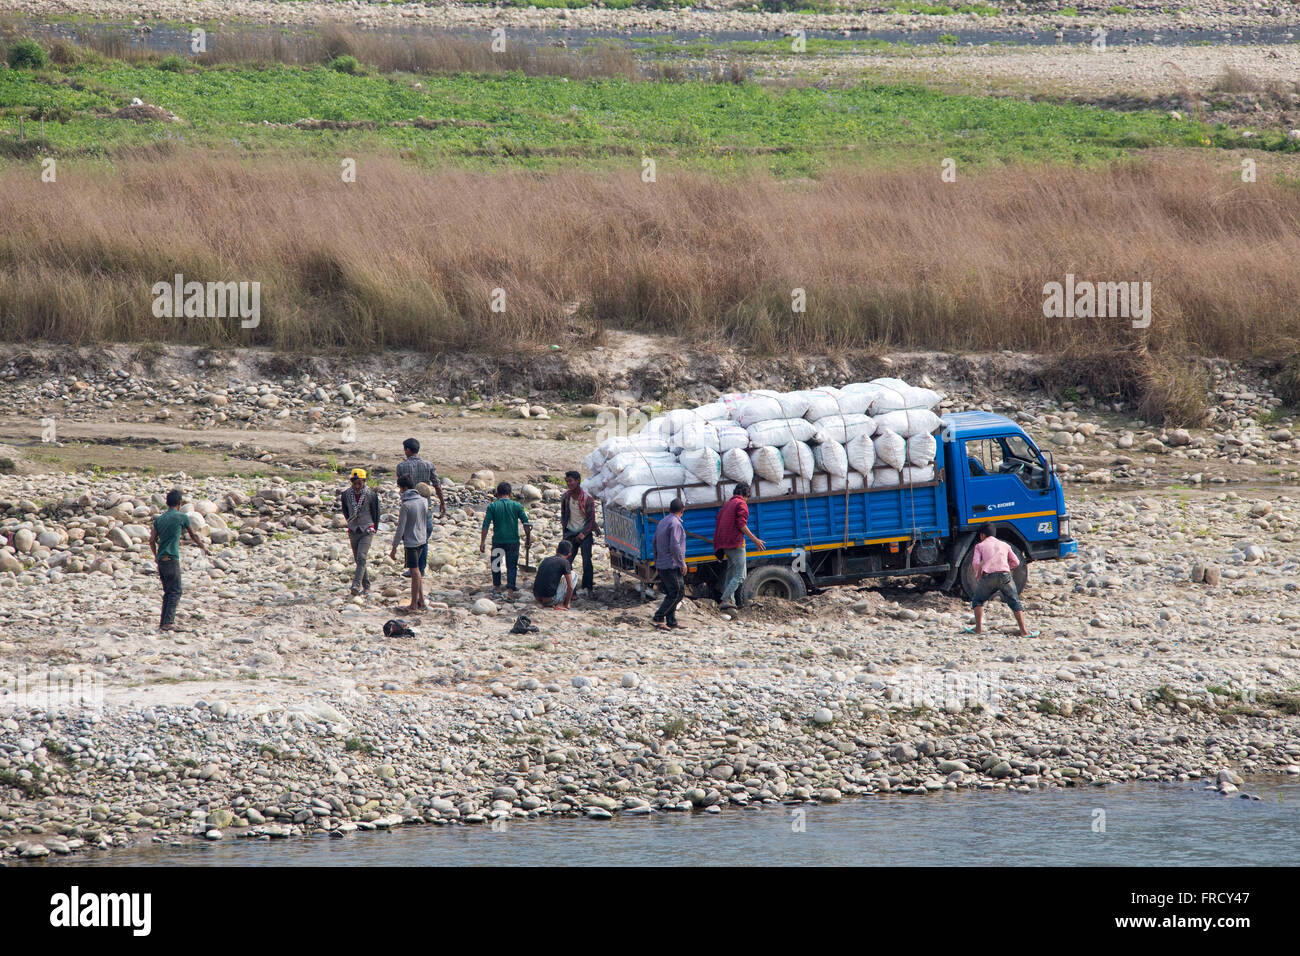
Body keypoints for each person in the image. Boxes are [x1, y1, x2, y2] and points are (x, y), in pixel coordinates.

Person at [148, 488, 208, 633]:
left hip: (161, 560)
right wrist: (203, 547)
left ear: (167, 503)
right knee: (175, 591)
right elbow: (193, 534)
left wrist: (156, 556)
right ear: (179, 503)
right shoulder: (182, 517)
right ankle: (168, 623)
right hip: (172, 558)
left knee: (168, 591)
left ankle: (164, 622)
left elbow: (151, 540)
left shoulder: (159, 519)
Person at [963, 525, 1038, 637]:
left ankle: (978, 629)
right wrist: (1009, 568)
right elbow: (1016, 562)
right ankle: (1024, 631)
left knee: (978, 601)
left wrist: (978, 575)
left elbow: (976, 563)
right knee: (1014, 601)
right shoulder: (1004, 545)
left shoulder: (980, 545)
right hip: (1005, 576)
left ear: (982, 535)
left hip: (988, 576)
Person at [397, 438, 445, 578]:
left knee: (409, 538)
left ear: (408, 450)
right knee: (424, 539)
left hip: (409, 506)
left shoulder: (401, 466)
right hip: (426, 507)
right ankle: (421, 569)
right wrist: (442, 502)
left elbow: (401, 486)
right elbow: (437, 485)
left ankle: (412, 568)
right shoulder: (428, 465)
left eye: (405, 449)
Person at [713, 482, 765, 609]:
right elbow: (741, 524)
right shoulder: (741, 503)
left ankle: (730, 603)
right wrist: (755, 540)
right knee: (741, 576)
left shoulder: (726, 505)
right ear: (746, 494)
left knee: (731, 574)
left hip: (725, 545)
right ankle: (725, 599)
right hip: (736, 544)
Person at [479, 482, 532, 598]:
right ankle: (510, 590)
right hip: (513, 541)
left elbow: (485, 525)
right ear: (510, 494)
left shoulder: (492, 507)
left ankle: (497, 587)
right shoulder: (517, 506)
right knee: (512, 566)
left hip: (498, 540)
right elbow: (526, 524)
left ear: (497, 494)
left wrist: (482, 542)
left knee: (496, 563)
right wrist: (528, 539)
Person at [389, 473, 429, 612]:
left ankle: (413, 604)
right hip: (422, 539)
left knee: (415, 572)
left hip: (411, 542)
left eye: (400, 489)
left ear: (404, 488)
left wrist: (394, 548)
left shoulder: (406, 505)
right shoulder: (424, 501)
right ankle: (421, 601)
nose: (400, 491)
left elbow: (401, 528)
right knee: (417, 571)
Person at [339, 468, 380, 596]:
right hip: (353, 530)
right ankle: (366, 586)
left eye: (359, 483)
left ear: (364, 481)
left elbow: (376, 512)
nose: (357, 486)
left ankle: (356, 584)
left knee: (362, 556)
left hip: (367, 529)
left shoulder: (371, 495)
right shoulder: (346, 495)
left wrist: (374, 527)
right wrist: (350, 522)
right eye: (354, 483)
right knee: (358, 560)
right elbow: (346, 511)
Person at [560, 470, 598, 599]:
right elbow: (564, 515)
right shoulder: (566, 497)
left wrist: (582, 534)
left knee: (587, 561)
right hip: (570, 532)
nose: (569, 484)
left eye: (571, 481)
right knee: (567, 562)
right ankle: (572, 590)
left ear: (578, 481)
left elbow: (590, 520)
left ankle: (588, 587)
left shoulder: (587, 499)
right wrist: (565, 533)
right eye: (567, 481)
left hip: (585, 534)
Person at [652, 498, 687, 630]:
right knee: (678, 592)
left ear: (669, 509)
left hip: (662, 562)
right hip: (671, 564)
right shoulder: (675, 523)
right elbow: (675, 546)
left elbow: (654, 542)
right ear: (682, 511)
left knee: (671, 592)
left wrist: (657, 559)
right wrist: (682, 563)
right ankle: (658, 617)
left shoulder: (663, 521)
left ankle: (671, 621)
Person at [533, 540, 575, 610]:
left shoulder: (546, 559)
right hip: (550, 600)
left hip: (537, 597)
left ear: (556, 550)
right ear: (569, 554)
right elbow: (570, 587)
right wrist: (566, 604)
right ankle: (562, 604)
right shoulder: (565, 562)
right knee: (574, 575)